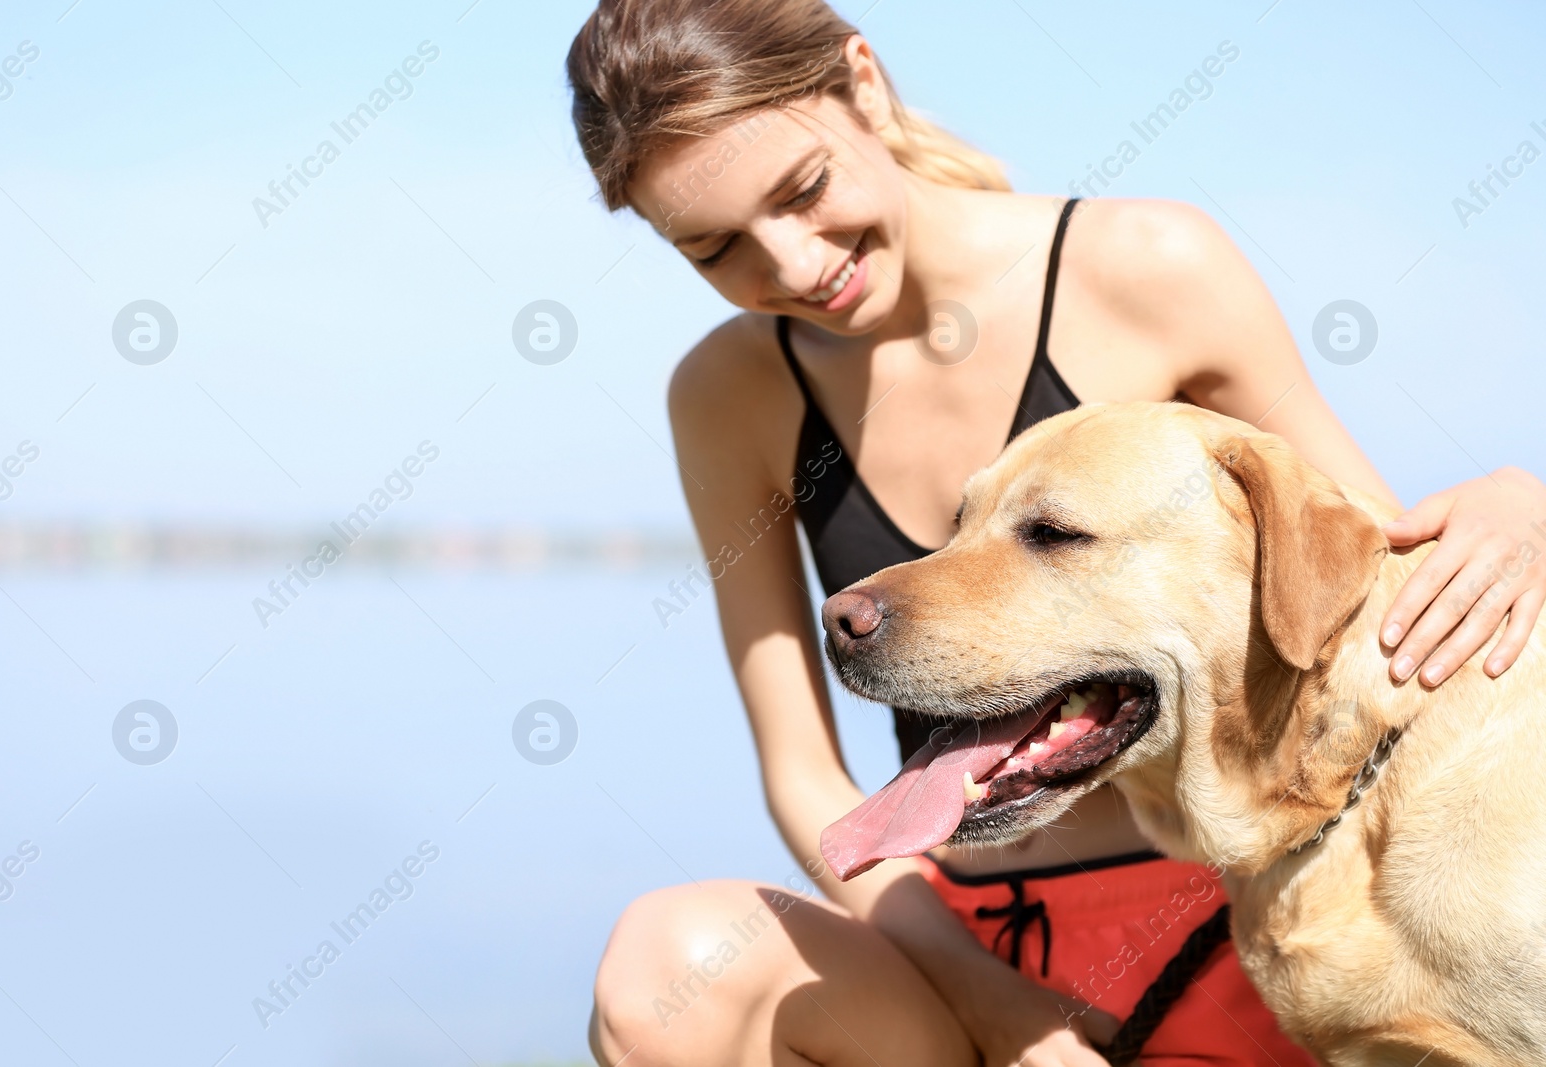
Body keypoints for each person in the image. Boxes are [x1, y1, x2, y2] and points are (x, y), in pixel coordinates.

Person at [566, 1, 1546, 1063]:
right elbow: (804, 773)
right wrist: (1012, 1022)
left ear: (863, 82)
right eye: (715, 249)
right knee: (666, 962)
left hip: (1228, 923)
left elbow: (1363, 584)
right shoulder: (728, 394)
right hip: (948, 951)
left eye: (802, 192)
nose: (795, 267)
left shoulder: (1147, 267)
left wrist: (1515, 504)